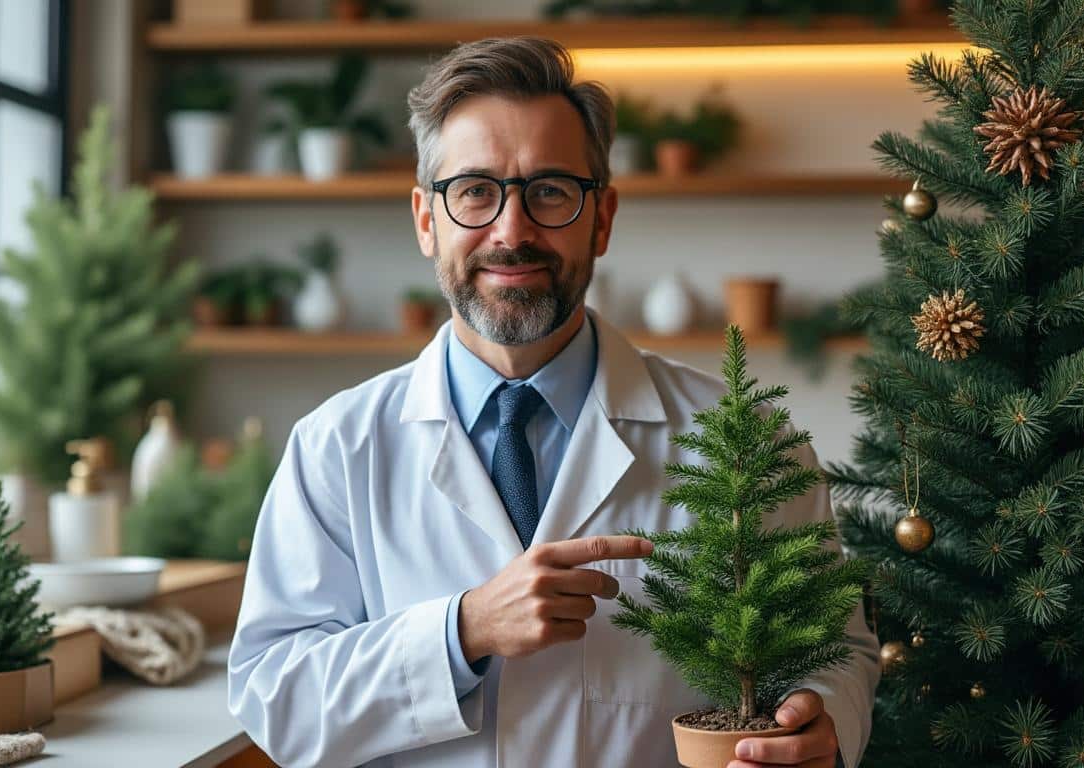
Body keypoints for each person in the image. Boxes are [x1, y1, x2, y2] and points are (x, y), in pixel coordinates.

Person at [227, 36, 879, 768]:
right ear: (424, 219)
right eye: (474, 191)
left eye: (549, 192)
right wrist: (463, 629)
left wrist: (825, 722)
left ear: (601, 219)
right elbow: (275, 699)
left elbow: (839, 649)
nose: (511, 231)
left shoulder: (749, 440)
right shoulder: (337, 447)